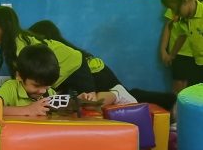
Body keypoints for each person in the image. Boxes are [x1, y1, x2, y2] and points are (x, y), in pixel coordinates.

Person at [28, 19, 176, 111]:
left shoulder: (62, 55)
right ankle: (168, 99)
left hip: (99, 76)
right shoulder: (67, 52)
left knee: (121, 98)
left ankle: (170, 99)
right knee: (126, 94)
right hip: (101, 72)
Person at [0, 5, 94, 94]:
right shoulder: (12, 46)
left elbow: (30, 80)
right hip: (62, 70)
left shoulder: (21, 46)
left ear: (6, 27)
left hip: (74, 67)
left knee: (84, 106)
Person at [0, 44, 59, 118]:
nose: (43, 91)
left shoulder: (50, 93)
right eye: (36, 85)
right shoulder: (10, 88)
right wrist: (27, 110)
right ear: (19, 76)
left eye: (47, 85)